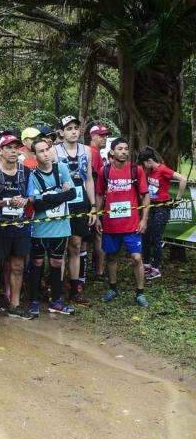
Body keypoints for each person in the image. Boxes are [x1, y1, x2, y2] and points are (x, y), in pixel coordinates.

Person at [95, 138, 150, 307]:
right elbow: (98, 195)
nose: (124, 152)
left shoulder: (136, 170)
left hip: (131, 225)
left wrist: (144, 219)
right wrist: (97, 216)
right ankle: (113, 288)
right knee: (111, 257)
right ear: (112, 152)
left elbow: (145, 195)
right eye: (120, 149)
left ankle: (140, 293)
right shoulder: (105, 171)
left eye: (126, 149)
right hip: (111, 225)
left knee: (136, 258)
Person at [0, 133, 33, 320]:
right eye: (9, 148)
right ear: (0, 151)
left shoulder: (25, 172)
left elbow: (32, 196)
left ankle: (15, 304)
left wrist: (25, 200)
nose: (13, 151)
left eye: (15, 148)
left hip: (20, 225)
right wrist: (6, 203)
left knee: (18, 265)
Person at [27, 137, 77, 316]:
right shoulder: (32, 175)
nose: (45, 153)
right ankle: (33, 300)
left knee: (57, 262)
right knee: (37, 262)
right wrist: (59, 193)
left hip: (61, 226)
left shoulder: (61, 168)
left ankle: (57, 300)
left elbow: (72, 193)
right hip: (40, 227)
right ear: (34, 155)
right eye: (41, 151)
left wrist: (48, 197)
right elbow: (38, 205)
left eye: (47, 149)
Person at [54, 116, 96, 306]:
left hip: (81, 202)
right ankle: (58, 287)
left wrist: (93, 207)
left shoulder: (86, 150)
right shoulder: (54, 151)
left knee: (76, 245)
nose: (73, 131)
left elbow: (89, 179)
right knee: (61, 246)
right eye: (68, 128)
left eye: (76, 128)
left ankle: (75, 288)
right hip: (62, 203)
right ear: (61, 132)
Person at [138, 146, 187, 280]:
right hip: (151, 206)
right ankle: (147, 265)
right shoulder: (149, 171)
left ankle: (156, 268)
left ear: (149, 161)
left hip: (162, 208)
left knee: (156, 238)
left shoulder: (163, 169)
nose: (144, 167)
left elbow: (183, 179)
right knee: (146, 236)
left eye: (145, 164)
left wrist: (178, 199)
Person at [88, 123, 110, 279]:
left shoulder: (93, 152)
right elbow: (98, 179)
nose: (104, 138)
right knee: (99, 233)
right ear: (93, 136)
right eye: (101, 135)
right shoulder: (93, 153)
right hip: (95, 198)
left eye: (106, 135)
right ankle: (99, 270)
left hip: (94, 198)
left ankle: (95, 266)